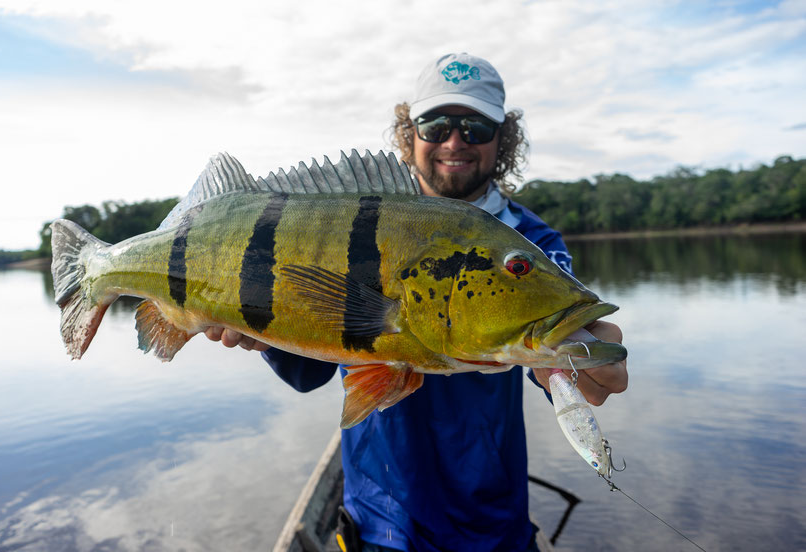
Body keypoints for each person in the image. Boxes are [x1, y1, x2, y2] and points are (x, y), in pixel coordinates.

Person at [206, 53, 627, 551]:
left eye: (475, 127)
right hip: (382, 526)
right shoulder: (349, 216)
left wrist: (577, 369)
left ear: (502, 138)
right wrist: (258, 325)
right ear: (410, 134)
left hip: (492, 525)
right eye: (435, 125)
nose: (454, 141)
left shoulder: (531, 241)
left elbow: (553, 357)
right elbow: (306, 375)